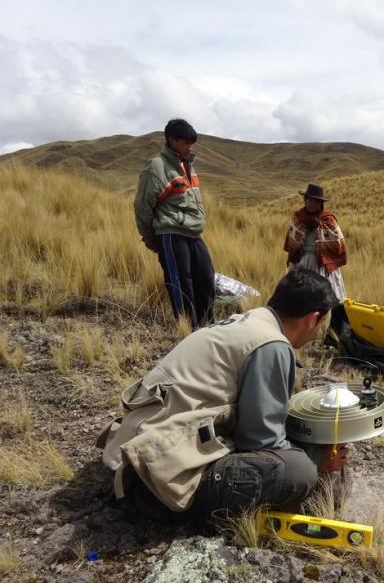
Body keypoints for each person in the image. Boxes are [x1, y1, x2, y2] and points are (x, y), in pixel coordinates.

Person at [97, 269, 347, 520]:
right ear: (312, 319)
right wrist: (317, 462)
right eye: (321, 324)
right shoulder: (272, 345)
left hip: (135, 450)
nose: (317, 334)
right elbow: (260, 441)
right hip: (152, 477)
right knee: (299, 471)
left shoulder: (251, 322)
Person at [134, 118, 215, 329]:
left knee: (206, 277)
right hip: (170, 233)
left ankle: (207, 325)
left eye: (191, 143)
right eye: (186, 142)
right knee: (181, 282)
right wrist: (152, 239)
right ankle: (188, 328)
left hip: (193, 232)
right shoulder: (157, 167)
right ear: (172, 140)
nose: (190, 147)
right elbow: (143, 206)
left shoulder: (187, 165)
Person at [283, 183, 347, 302]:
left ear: (320, 203)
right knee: (300, 298)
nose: (312, 204)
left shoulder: (328, 220)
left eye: (315, 201)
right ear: (305, 200)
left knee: (324, 298)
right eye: (309, 200)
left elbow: (338, 242)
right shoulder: (298, 217)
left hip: (322, 264)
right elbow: (292, 240)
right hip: (302, 262)